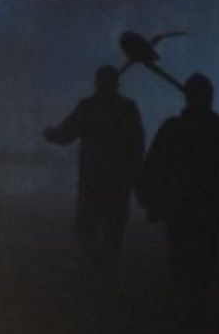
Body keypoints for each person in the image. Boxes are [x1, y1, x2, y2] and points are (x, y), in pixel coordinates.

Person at [137, 73, 219, 326]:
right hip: (208, 205)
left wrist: (145, 194)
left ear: (187, 97)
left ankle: (186, 307)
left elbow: (151, 166)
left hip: (179, 203)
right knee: (204, 257)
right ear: (210, 98)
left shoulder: (173, 127)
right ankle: (196, 307)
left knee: (180, 256)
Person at [44, 65, 145, 271]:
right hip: (118, 181)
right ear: (116, 84)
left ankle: (97, 262)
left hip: (93, 179)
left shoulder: (89, 106)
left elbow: (66, 133)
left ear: (97, 83)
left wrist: (52, 135)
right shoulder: (127, 108)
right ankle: (107, 266)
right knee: (113, 228)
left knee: (87, 225)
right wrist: (133, 172)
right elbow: (137, 144)